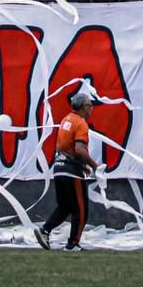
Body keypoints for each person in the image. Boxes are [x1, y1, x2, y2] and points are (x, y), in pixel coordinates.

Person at [35, 92, 98, 251]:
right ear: (83, 107)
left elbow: (63, 148)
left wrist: (82, 165)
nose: (92, 109)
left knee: (65, 207)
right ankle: (72, 243)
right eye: (90, 105)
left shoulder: (66, 120)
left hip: (59, 168)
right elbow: (79, 150)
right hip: (71, 172)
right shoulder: (81, 124)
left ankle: (45, 230)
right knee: (81, 209)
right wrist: (94, 165)